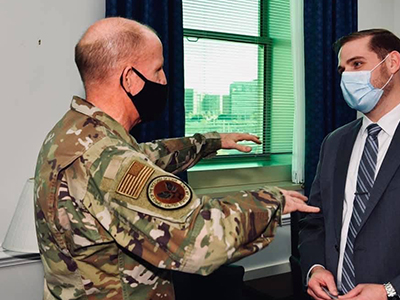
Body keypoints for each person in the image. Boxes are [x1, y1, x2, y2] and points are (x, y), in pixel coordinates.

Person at [34, 17, 319, 300]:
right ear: (130, 79)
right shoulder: (106, 157)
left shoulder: (72, 133)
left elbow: (147, 156)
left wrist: (212, 142)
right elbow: (200, 240)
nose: (164, 80)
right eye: (158, 70)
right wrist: (271, 201)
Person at [298, 28, 400, 300]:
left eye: (357, 64)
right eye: (343, 69)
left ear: (392, 63)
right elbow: (316, 220)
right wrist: (315, 268)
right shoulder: (334, 142)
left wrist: (392, 291)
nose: (348, 76)